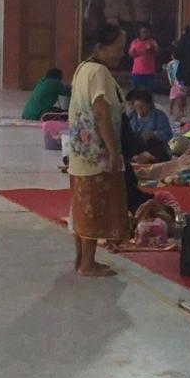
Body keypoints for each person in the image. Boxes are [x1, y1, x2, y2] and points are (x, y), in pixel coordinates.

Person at [67, 23, 129, 277]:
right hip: (97, 156)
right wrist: (114, 152)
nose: (121, 53)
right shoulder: (99, 72)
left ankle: (81, 260)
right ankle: (88, 264)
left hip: (81, 156)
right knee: (94, 208)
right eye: (117, 48)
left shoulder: (83, 69)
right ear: (100, 48)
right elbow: (101, 112)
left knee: (83, 208)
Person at [126, 88, 173, 163]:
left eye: (142, 107)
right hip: (137, 146)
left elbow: (168, 134)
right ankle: (138, 157)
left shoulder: (159, 115)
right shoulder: (131, 116)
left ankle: (146, 157)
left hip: (153, 146)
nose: (139, 110)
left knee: (162, 151)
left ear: (149, 105)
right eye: (137, 107)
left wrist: (153, 134)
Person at [128, 24, 158, 89]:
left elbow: (156, 54)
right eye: (144, 32)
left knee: (149, 91)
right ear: (140, 32)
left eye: (147, 32)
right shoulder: (135, 42)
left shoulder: (152, 42)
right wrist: (142, 52)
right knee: (135, 90)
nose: (145, 34)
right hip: (137, 71)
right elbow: (130, 54)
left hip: (149, 72)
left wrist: (151, 50)